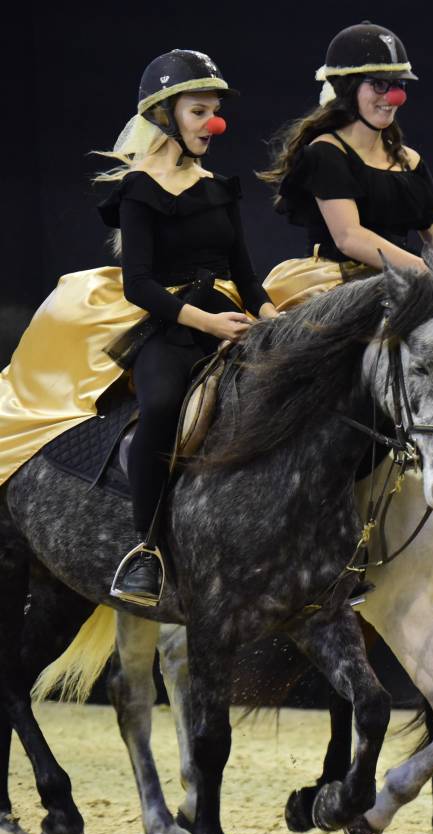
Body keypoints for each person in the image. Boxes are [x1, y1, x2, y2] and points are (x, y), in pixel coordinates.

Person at [0, 50, 277, 606]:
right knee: (160, 405)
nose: (213, 124)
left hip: (228, 316)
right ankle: (146, 549)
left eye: (214, 111)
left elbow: (247, 278)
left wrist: (279, 324)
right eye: (200, 111)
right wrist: (210, 324)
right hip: (171, 325)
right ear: (166, 115)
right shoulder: (137, 191)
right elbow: (139, 286)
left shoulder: (221, 187)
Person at [258, 21, 433, 312]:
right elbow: (349, 237)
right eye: (379, 84)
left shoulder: (410, 161)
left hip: (401, 282)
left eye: (398, 85)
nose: (393, 97)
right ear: (348, 88)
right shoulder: (326, 153)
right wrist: (422, 270)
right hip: (337, 285)